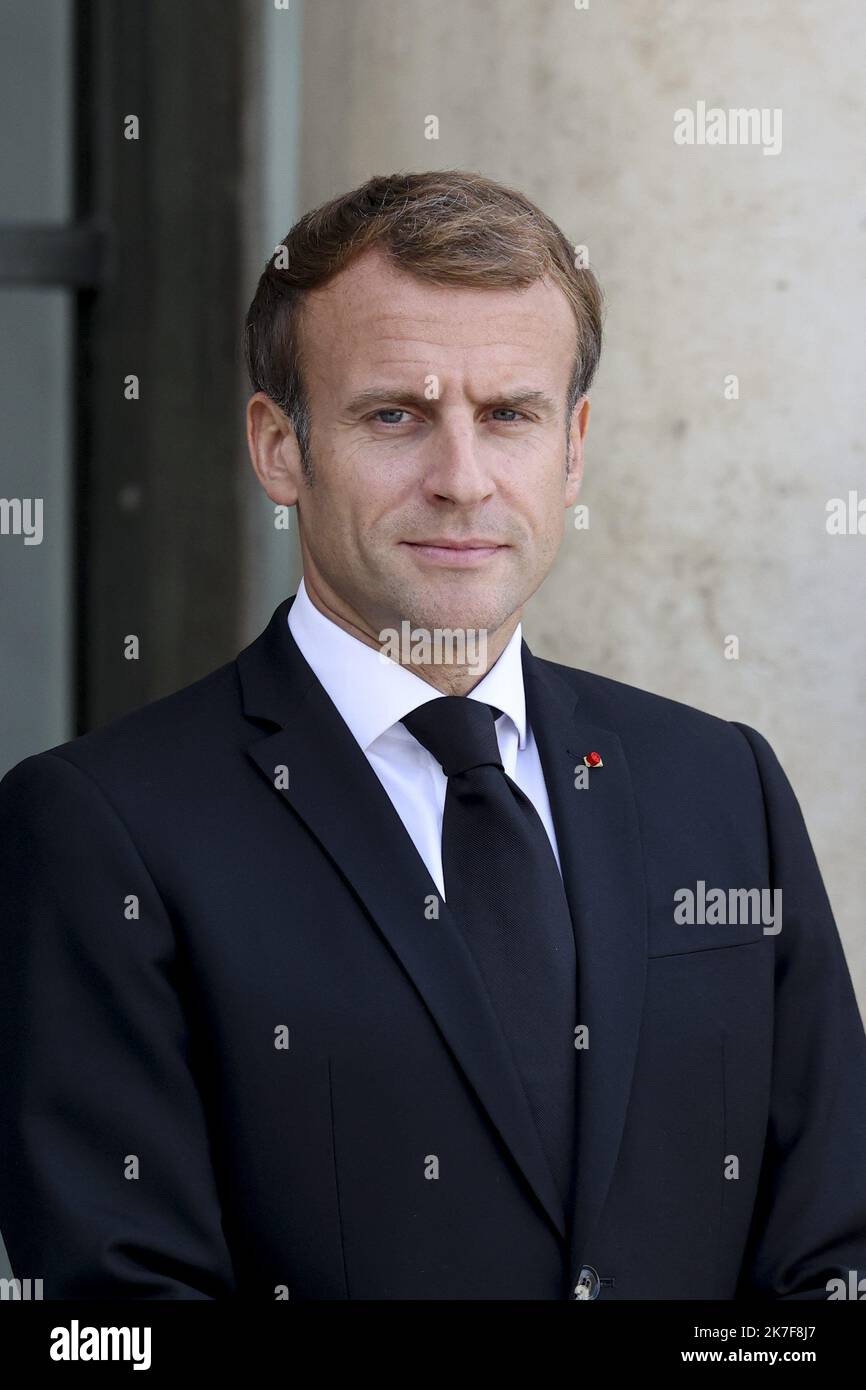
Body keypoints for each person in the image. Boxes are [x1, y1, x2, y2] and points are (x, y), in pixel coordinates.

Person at [1, 170, 864, 1301]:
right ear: (278, 447)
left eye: (508, 414)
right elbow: (120, 1316)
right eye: (394, 415)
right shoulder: (101, 829)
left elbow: (833, 1252)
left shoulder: (720, 785)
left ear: (571, 449)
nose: (460, 480)